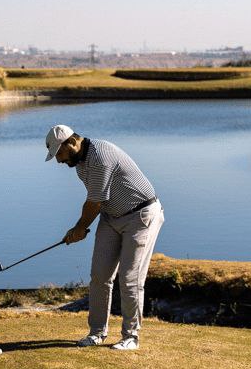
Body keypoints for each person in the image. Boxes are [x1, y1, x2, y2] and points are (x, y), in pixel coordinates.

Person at [45, 124, 165, 351]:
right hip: (111, 216)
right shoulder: (79, 164)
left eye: (59, 153)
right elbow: (97, 202)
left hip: (141, 215)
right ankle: (97, 333)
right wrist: (78, 229)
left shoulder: (100, 156)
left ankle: (131, 337)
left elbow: (94, 202)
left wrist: (78, 229)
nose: (59, 160)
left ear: (71, 142)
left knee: (130, 279)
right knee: (99, 276)